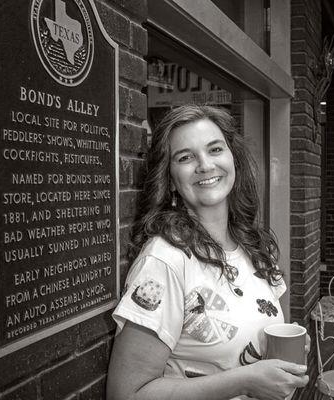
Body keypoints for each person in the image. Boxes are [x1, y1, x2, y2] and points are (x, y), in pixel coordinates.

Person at [107, 105, 309, 400]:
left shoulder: (256, 247)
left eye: (215, 149)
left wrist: (277, 360)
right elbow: (125, 394)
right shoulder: (165, 260)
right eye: (185, 157)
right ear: (171, 179)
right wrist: (242, 382)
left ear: (233, 159)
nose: (204, 165)